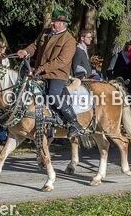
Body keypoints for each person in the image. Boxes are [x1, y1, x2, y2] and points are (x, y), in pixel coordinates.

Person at [16, 8, 82, 137]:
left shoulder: (69, 40)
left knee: (53, 95)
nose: (52, 23)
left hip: (57, 74)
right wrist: (25, 51)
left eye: (55, 22)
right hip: (39, 72)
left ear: (63, 24)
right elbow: (34, 46)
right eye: (52, 20)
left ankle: (74, 123)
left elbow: (62, 60)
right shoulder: (45, 33)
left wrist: (42, 68)